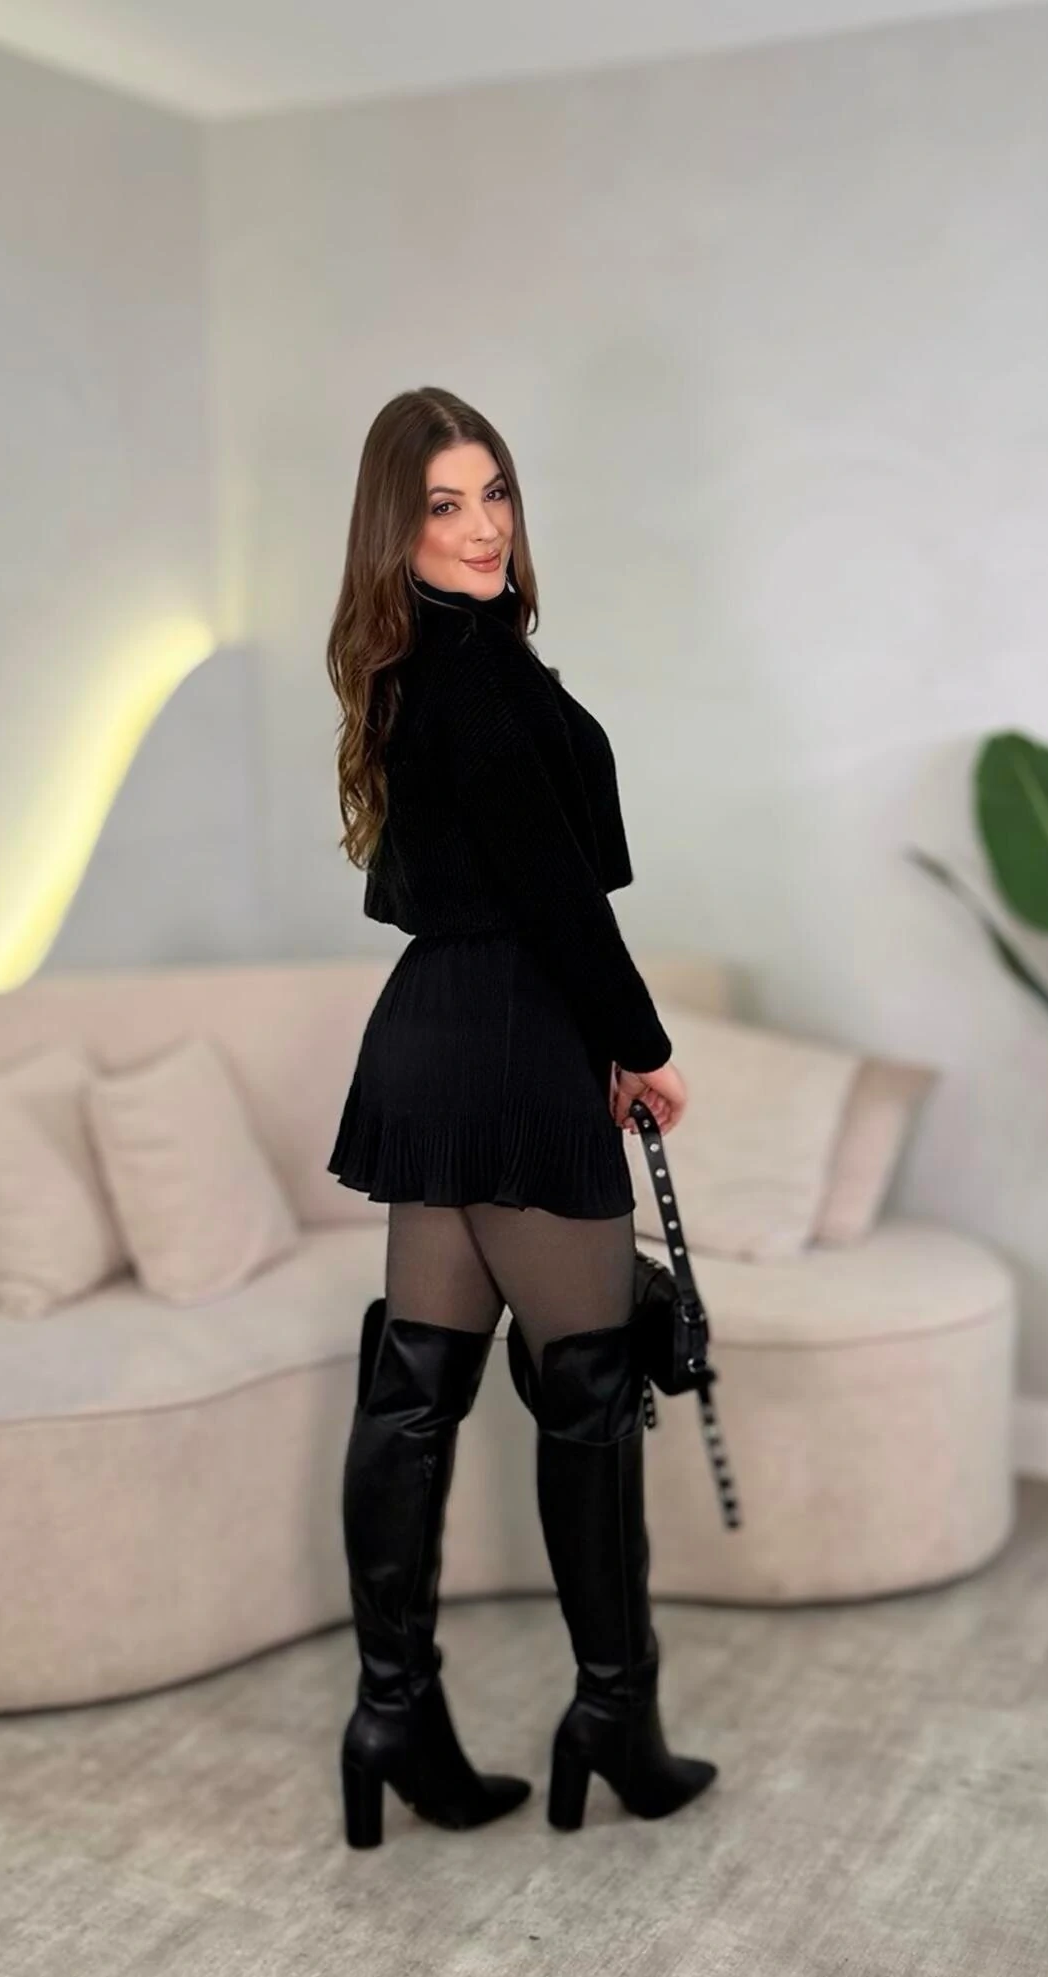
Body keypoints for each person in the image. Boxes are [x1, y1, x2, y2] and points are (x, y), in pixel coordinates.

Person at [324, 385, 718, 1848]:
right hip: (513, 1042)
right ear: (397, 528)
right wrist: (640, 1045)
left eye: (494, 494)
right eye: (445, 504)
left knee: (412, 1389)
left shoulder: (424, 663)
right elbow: (557, 896)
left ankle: (392, 1715)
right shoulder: (478, 675)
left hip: (433, 1035)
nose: (483, 526)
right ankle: (615, 1715)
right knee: (590, 1391)